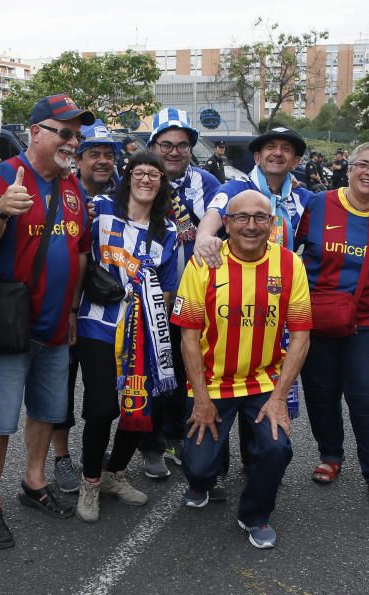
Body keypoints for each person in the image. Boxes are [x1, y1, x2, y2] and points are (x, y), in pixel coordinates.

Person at [0, 94, 94, 548]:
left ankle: (34, 482)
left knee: (46, 412)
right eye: (64, 132)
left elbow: (80, 253)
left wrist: (75, 309)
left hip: (58, 326)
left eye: (76, 134)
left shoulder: (72, 185)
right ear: (36, 132)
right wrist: (2, 209)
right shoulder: (3, 176)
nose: (72, 141)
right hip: (12, 325)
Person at [172, 189, 311, 549]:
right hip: (213, 383)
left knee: (276, 449)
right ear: (227, 224)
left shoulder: (289, 265)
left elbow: (300, 337)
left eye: (260, 218)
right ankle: (200, 481)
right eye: (241, 218)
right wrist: (200, 398)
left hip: (264, 380)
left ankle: (256, 515)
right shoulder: (204, 262)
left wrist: (280, 397)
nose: (251, 226)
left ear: (272, 224)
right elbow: (188, 338)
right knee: (200, 466)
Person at [296, 143, 369, 509]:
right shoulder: (317, 203)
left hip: (368, 319)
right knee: (321, 390)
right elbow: (283, 246)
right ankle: (330, 456)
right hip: (319, 316)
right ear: (350, 167)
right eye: (363, 164)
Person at [74, 150, 179, 522]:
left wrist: (159, 336)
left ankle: (114, 474)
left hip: (142, 334)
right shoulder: (100, 209)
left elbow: (167, 292)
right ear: (129, 175)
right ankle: (89, 482)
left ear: (163, 184)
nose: (147, 179)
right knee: (103, 408)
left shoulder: (167, 235)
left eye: (156, 174)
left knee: (138, 410)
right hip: (96, 324)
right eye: (141, 172)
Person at [138, 107, 221, 480]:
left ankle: (179, 435)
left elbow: (233, 210)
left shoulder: (207, 183)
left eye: (182, 145)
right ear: (153, 145)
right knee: (151, 371)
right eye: (166, 144)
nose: (174, 152)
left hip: (196, 297)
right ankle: (150, 442)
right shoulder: (138, 180)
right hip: (148, 295)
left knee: (190, 370)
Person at [52, 119, 123, 494]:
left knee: (104, 393)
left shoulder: (124, 196)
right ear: (77, 160)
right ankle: (62, 457)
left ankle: (101, 461)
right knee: (59, 385)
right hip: (64, 305)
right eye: (93, 154)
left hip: (106, 313)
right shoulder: (61, 190)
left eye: (108, 155)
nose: (101, 161)